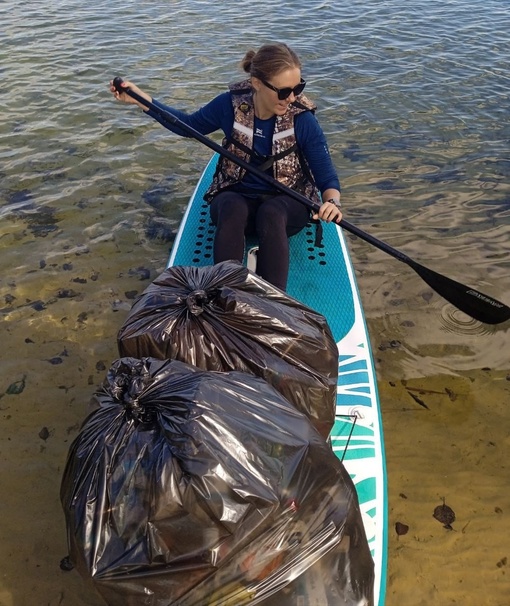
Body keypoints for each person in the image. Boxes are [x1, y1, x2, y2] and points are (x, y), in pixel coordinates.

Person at [111, 42, 342, 291]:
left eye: (298, 88)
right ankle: (226, 295)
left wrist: (332, 203)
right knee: (231, 206)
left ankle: (275, 303)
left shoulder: (303, 119)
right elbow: (186, 126)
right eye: (284, 91)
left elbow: (326, 178)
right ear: (256, 83)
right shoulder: (229, 105)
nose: (292, 98)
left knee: (272, 212)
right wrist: (140, 99)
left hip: (286, 208)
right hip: (236, 198)